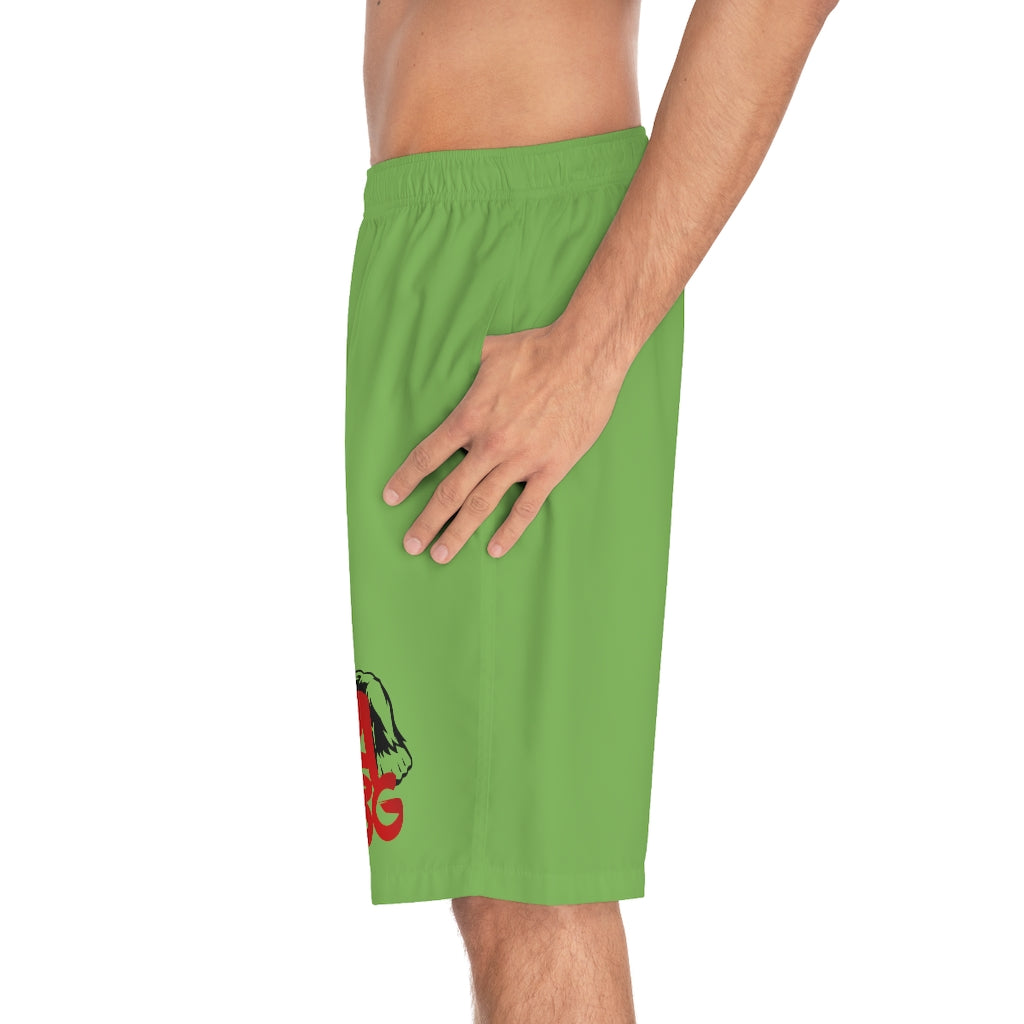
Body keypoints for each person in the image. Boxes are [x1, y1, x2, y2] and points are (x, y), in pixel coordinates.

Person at [347, 0, 839, 1020]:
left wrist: (591, 348)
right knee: (493, 877)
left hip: (525, 262)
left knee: (534, 887)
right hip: (427, 245)